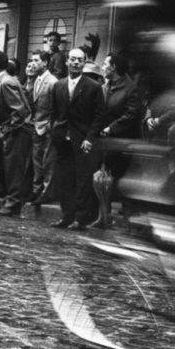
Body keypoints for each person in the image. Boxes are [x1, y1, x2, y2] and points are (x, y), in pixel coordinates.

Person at [49, 47, 105, 230]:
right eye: (72, 59)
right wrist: (55, 132)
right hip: (62, 140)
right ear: (67, 62)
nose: (75, 63)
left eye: (79, 60)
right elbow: (54, 113)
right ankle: (66, 216)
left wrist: (89, 138)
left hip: (82, 140)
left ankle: (80, 219)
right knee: (64, 179)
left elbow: (98, 116)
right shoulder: (58, 85)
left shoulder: (93, 87)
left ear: (84, 63)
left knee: (82, 180)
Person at [91, 52, 142, 228]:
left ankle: (127, 222)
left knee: (119, 181)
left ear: (113, 67)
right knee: (102, 179)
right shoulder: (107, 85)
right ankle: (103, 216)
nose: (103, 66)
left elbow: (132, 114)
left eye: (105, 64)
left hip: (122, 143)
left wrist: (111, 128)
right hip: (106, 141)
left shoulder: (130, 88)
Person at [0, 50, 33, 216]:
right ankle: (12, 202)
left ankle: (13, 203)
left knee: (14, 168)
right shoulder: (8, 80)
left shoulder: (5, 82)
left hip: (17, 132)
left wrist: (8, 130)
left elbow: (20, 110)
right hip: (17, 131)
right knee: (12, 167)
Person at [28, 50, 57, 205]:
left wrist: (49, 125)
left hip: (47, 128)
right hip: (36, 125)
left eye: (37, 60)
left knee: (47, 162)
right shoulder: (36, 80)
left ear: (45, 62)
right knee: (37, 161)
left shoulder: (52, 82)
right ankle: (36, 190)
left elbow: (55, 106)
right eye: (32, 60)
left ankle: (46, 192)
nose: (33, 63)